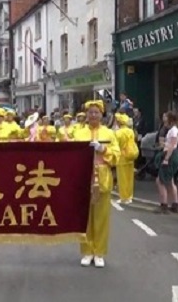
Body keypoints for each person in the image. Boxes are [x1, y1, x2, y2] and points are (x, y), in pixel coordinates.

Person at [72, 100, 120, 268]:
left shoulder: (109, 134)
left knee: (101, 218)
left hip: (103, 178)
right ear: (86, 114)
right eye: (90, 112)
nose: (93, 115)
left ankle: (99, 252)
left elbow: (117, 156)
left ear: (101, 115)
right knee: (84, 218)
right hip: (83, 178)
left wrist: (103, 149)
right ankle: (86, 251)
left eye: (96, 112)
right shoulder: (78, 133)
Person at [154, 111, 178, 214]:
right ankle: (175, 205)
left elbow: (172, 145)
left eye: (166, 117)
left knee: (160, 181)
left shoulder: (173, 131)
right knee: (170, 181)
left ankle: (164, 205)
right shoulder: (172, 130)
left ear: (171, 119)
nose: (164, 119)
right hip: (170, 154)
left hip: (170, 156)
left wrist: (166, 159)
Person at [115, 113, 138, 204]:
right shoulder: (130, 131)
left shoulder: (118, 133)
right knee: (129, 178)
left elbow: (116, 145)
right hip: (131, 156)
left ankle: (123, 197)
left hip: (122, 157)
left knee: (122, 179)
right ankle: (130, 196)